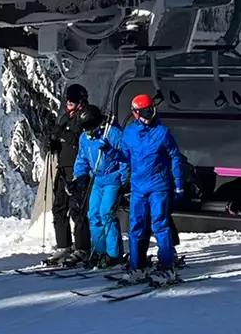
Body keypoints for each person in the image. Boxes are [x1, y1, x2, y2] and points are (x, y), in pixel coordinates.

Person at [119, 94, 190, 282]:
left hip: (159, 185)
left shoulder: (162, 132)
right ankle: (137, 266)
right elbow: (126, 158)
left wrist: (179, 185)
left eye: (151, 111)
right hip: (138, 187)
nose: (148, 116)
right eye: (144, 112)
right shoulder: (129, 133)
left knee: (160, 224)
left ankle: (167, 266)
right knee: (136, 226)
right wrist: (112, 156)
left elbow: (175, 157)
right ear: (135, 113)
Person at [47, 84, 94, 268]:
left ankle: (82, 247)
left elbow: (78, 139)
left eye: (72, 101)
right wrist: (52, 143)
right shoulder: (65, 118)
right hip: (63, 169)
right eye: (67, 100)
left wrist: (63, 137)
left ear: (81, 102)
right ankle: (64, 245)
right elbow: (57, 134)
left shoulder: (85, 118)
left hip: (78, 171)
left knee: (78, 210)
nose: (68, 103)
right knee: (59, 208)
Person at [74, 104, 124, 269]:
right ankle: (99, 250)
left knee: (106, 213)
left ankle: (113, 254)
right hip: (96, 179)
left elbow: (125, 157)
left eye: (89, 129)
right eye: (85, 130)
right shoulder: (84, 138)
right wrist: (80, 175)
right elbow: (82, 158)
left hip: (112, 178)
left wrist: (124, 181)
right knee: (93, 214)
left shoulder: (113, 134)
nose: (87, 133)